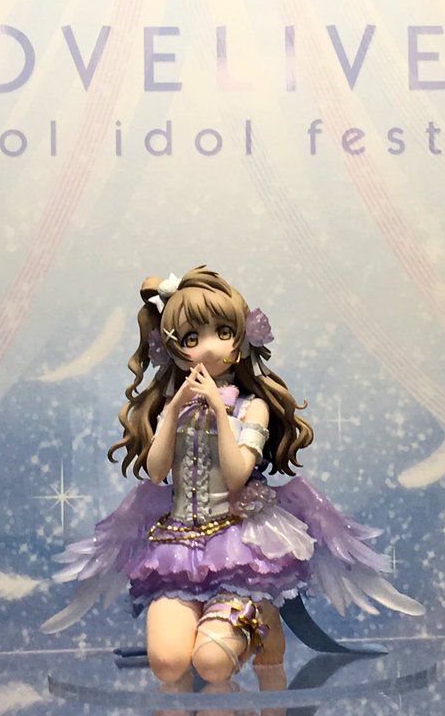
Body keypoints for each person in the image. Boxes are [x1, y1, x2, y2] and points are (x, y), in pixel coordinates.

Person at [41, 266, 422, 684]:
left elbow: (238, 474)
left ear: (239, 340)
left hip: (239, 544)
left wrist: (219, 412)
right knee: (167, 664)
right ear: (173, 350)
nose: (208, 346)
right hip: (178, 546)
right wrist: (173, 409)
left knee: (212, 662)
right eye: (191, 338)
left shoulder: (252, 407)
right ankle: (213, 646)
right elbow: (156, 472)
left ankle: (262, 617)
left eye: (222, 332)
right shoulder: (174, 408)